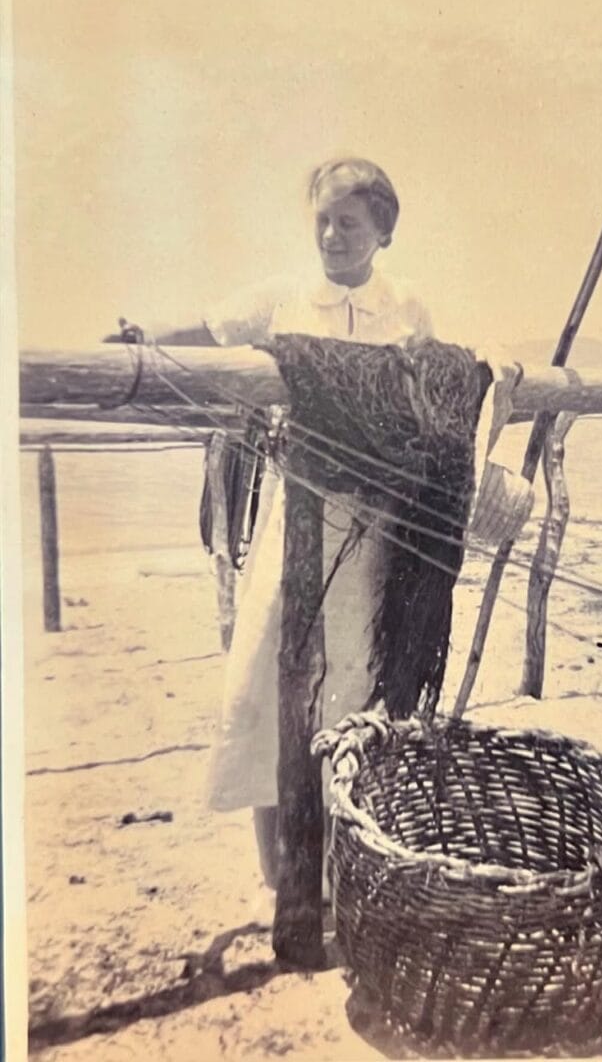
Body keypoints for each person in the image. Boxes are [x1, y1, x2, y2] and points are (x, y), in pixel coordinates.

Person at [169, 158, 534, 899]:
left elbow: (448, 393)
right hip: (291, 524)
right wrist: (143, 343)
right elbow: (205, 332)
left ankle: (342, 862)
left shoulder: (408, 308)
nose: (333, 236)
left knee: (356, 691)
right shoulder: (279, 300)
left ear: (384, 233)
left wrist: (497, 374)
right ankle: (278, 876)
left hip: (375, 534)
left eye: (350, 223)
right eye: (323, 220)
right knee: (269, 686)